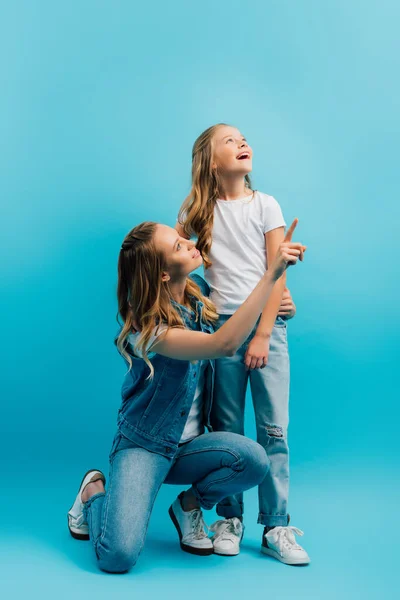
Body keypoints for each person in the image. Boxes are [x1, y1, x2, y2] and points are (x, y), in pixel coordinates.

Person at [67, 219, 305, 573]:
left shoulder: (198, 292)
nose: (188, 242)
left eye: (182, 238)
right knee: (117, 556)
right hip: (144, 447)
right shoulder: (147, 329)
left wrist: (280, 303)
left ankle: (187, 505)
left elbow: (241, 306)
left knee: (254, 460)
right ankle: (93, 492)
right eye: (178, 246)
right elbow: (222, 344)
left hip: (190, 449)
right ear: (163, 275)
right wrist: (271, 277)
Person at [176, 123, 310, 565]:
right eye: (230, 141)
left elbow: (277, 272)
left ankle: (276, 525)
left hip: (265, 328)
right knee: (228, 431)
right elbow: (175, 262)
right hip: (220, 332)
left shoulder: (266, 205)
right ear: (212, 162)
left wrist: (265, 333)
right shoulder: (197, 213)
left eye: (244, 138)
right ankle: (228, 519)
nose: (242, 143)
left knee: (273, 430)